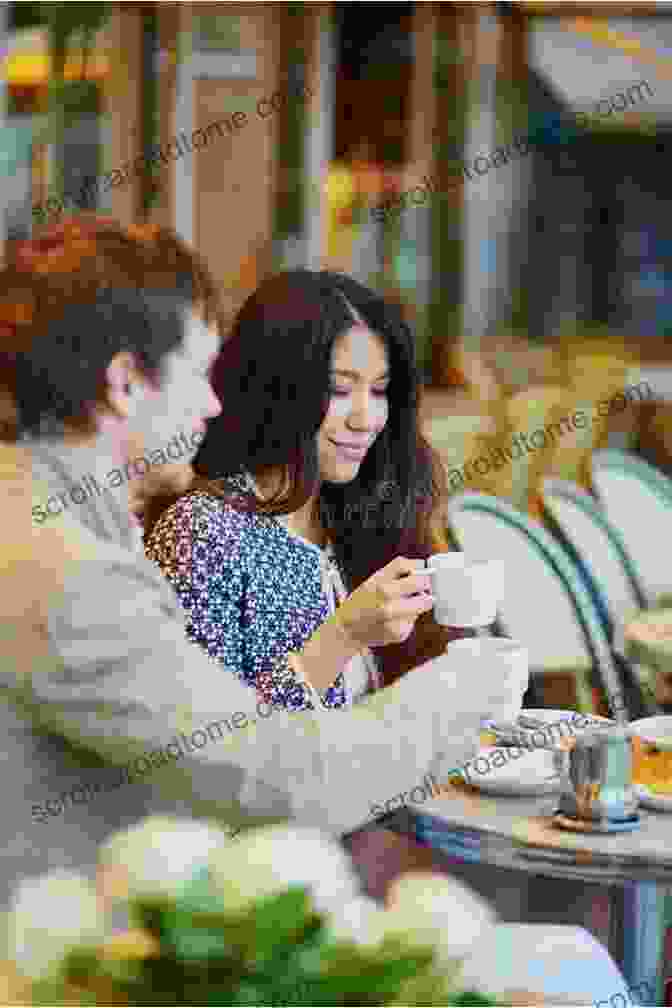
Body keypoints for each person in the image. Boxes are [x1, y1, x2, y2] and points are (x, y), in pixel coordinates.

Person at [0, 216, 523, 913]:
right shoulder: (71, 572)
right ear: (126, 384)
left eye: (380, 390)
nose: (213, 404)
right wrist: (455, 694)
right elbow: (269, 775)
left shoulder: (66, 521)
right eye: (197, 374)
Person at [145, 269, 458, 711]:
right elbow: (203, 755)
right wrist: (342, 634)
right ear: (274, 389)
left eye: (381, 390)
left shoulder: (366, 513)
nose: (366, 418)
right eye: (340, 389)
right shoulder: (203, 533)